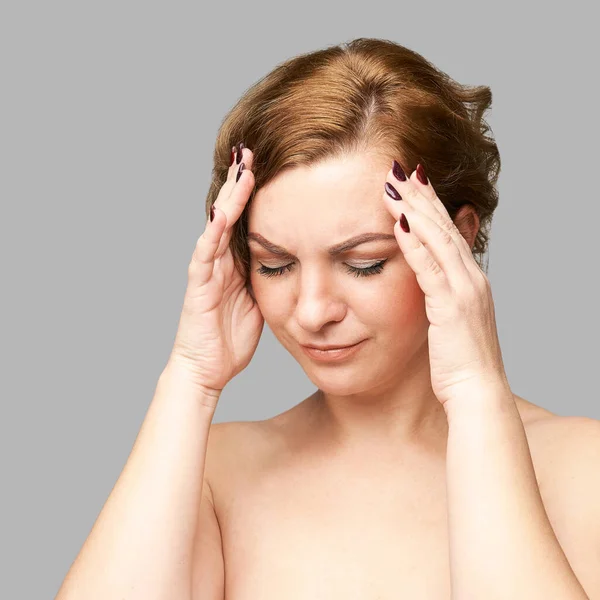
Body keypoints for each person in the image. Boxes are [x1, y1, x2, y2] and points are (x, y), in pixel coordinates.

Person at [56, 38, 599, 600]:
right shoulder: (212, 472)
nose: (313, 311)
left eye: (362, 264)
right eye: (275, 264)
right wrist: (190, 376)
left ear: (454, 239)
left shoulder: (583, 471)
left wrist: (476, 392)